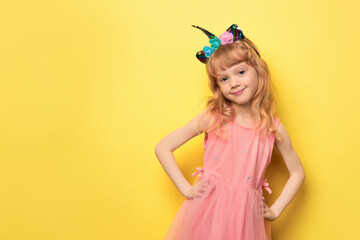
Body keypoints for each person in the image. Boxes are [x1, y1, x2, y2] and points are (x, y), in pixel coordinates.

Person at [155, 24, 305, 240]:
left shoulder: (273, 128)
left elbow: (298, 173)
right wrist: (187, 190)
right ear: (218, 86)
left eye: (241, 72)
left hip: (247, 220)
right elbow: (163, 147)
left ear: (258, 71)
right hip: (207, 212)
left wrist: (275, 211)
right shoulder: (214, 117)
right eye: (224, 78)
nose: (234, 83)